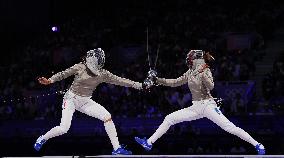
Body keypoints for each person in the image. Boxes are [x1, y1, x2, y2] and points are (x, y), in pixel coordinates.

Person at [135, 50, 265, 155]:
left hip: (208, 105)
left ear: (195, 59)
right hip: (196, 107)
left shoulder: (206, 70)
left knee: (229, 127)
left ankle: (257, 144)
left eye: (190, 58)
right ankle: (149, 143)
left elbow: (211, 86)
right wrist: (157, 80)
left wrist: (202, 73)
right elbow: (175, 82)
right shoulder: (190, 72)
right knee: (169, 118)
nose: (188, 60)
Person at [34, 48, 142, 155]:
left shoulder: (102, 74)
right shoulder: (80, 67)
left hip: (85, 101)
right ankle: (42, 138)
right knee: (64, 128)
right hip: (70, 99)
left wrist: (139, 85)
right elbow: (63, 74)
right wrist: (50, 80)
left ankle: (116, 148)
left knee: (107, 117)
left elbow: (120, 80)